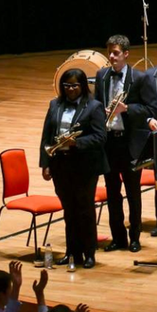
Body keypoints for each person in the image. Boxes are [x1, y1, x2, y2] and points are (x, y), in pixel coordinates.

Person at [40, 69, 107, 269]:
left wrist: (75, 143)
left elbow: (100, 137)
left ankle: (89, 253)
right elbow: (46, 136)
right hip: (61, 165)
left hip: (84, 166)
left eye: (75, 86)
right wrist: (45, 163)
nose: (70, 90)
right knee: (69, 210)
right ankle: (72, 253)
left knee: (84, 210)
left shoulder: (94, 107)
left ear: (83, 86)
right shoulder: (55, 104)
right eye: (67, 86)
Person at [94, 35, 154, 253]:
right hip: (109, 143)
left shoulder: (139, 78)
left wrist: (126, 109)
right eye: (109, 52)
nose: (111, 56)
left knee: (133, 193)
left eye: (116, 53)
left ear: (126, 54)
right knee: (112, 193)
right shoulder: (101, 75)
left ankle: (135, 237)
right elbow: (96, 105)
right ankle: (118, 237)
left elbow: (150, 109)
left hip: (130, 144)